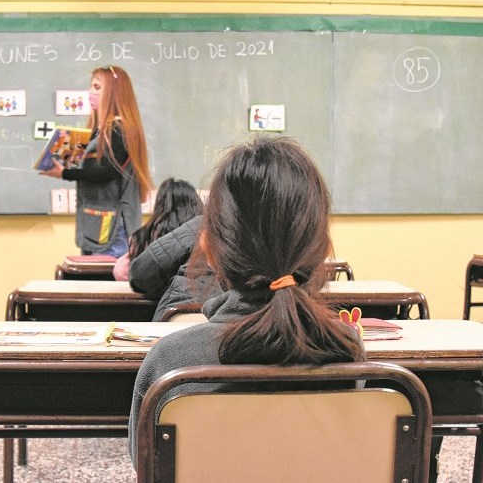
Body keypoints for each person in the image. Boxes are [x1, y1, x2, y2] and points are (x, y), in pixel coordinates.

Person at [128, 136, 366, 465]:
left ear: (210, 250)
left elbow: (146, 466)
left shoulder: (171, 360)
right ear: (323, 249)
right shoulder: (346, 347)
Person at [41, 65, 154, 257]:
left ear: (113, 92)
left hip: (113, 229)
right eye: (91, 86)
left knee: (107, 276)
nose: (91, 92)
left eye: (97, 87)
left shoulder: (119, 129)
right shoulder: (98, 131)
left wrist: (65, 173)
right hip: (95, 225)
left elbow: (106, 171)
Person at [112, 178, 202, 281]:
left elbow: (120, 271)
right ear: (195, 203)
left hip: (152, 288)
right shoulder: (203, 234)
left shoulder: (143, 236)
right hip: (192, 288)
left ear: (159, 205)